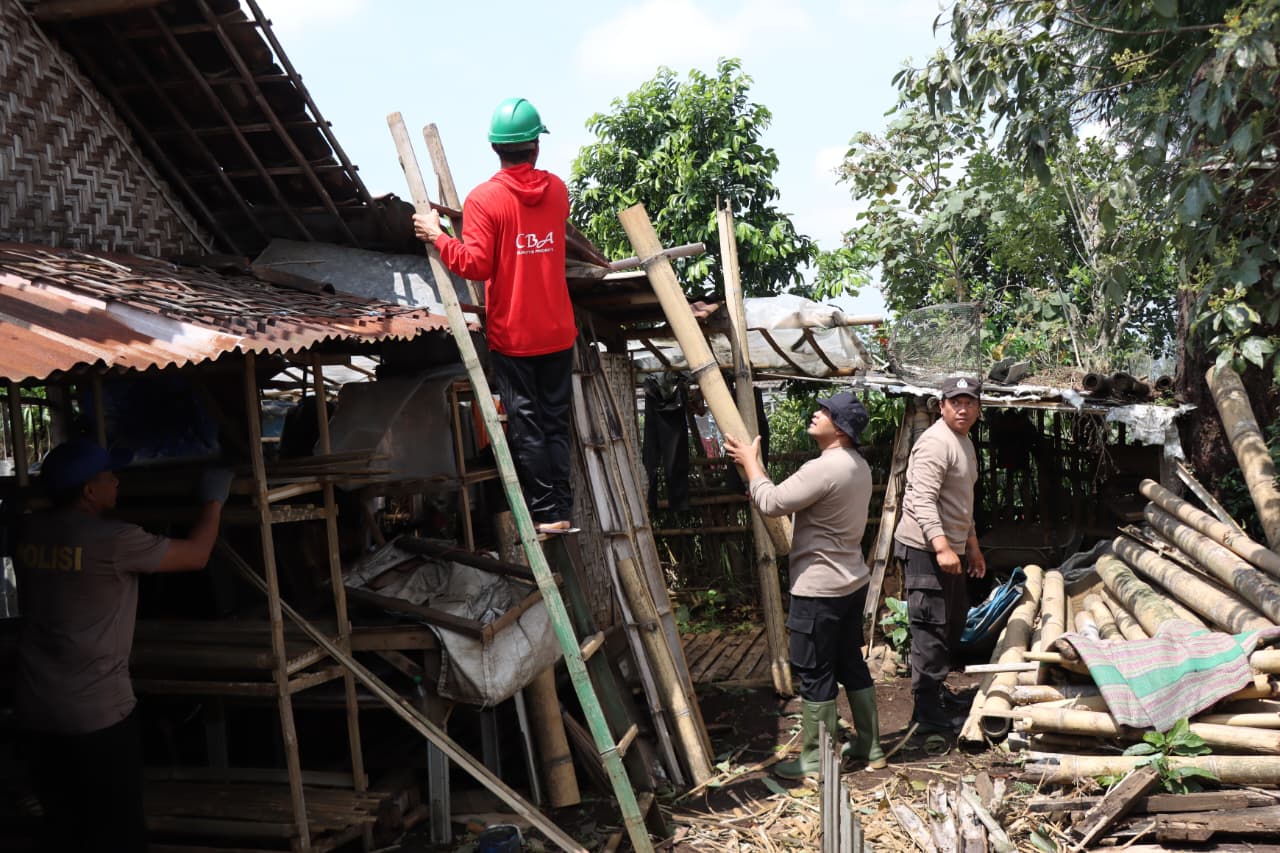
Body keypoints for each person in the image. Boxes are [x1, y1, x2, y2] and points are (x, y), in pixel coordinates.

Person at [14, 437, 231, 852]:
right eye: (110, 475)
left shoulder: (29, 531)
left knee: (66, 830)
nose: (118, 481)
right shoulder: (115, 541)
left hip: (36, 709)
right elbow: (197, 555)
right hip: (97, 717)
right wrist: (214, 502)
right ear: (89, 491)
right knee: (117, 834)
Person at [413, 97, 576, 535]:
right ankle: (563, 507)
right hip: (559, 333)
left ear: (495, 149)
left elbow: (476, 266)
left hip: (516, 337)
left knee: (527, 426)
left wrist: (438, 236)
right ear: (535, 147)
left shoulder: (485, 200)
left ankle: (547, 514)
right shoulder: (558, 191)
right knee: (555, 424)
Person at [724, 392, 884, 778]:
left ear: (841, 429)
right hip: (850, 582)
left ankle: (815, 758)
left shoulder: (825, 468)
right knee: (850, 662)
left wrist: (750, 464)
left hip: (818, 589)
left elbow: (773, 502)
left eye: (826, 412)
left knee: (815, 671)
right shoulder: (858, 465)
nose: (816, 413)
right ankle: (870, 744)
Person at [894, 375, 988, 733]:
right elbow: (921, 499)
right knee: (930, 627)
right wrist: (942, 545)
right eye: (955, 402)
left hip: (950, 548)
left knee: (951, 624)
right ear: (942, 405)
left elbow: (961, 506)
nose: (962, 408)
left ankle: (936, 694)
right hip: (925, 549)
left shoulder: (963, 442)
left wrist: (971, 548)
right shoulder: (936, 443)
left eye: (969, 402)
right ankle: (927, 712)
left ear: (978, 408)